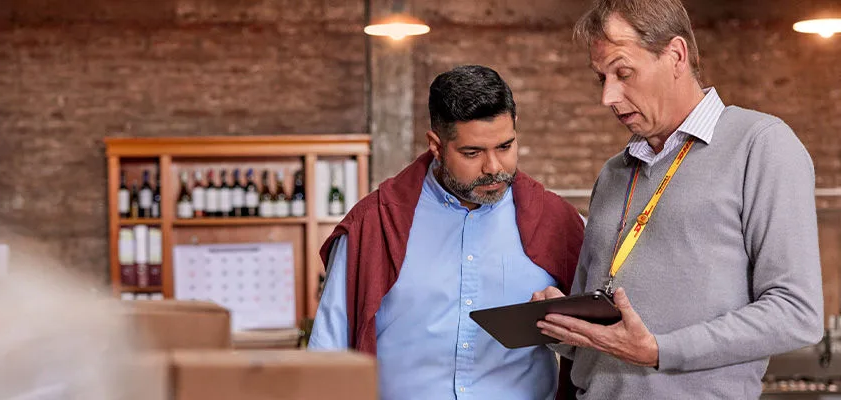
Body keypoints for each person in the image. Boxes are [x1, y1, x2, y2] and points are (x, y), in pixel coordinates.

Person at [530, 0, 824, 398]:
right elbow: (602, 343)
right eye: (601, 78)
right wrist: (563, 322)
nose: (608, 97)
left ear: (676, 55)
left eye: (623, 72)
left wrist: (659, 351)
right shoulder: (614, 173)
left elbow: (797, 313)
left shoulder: (761, 145)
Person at [308, 65, 585, 400]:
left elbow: (598, 346)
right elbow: (328, 353)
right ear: (436, 146)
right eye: (473, 153)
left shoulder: (560, 223)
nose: (493, 167)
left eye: (504, 146)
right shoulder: (374, 225)